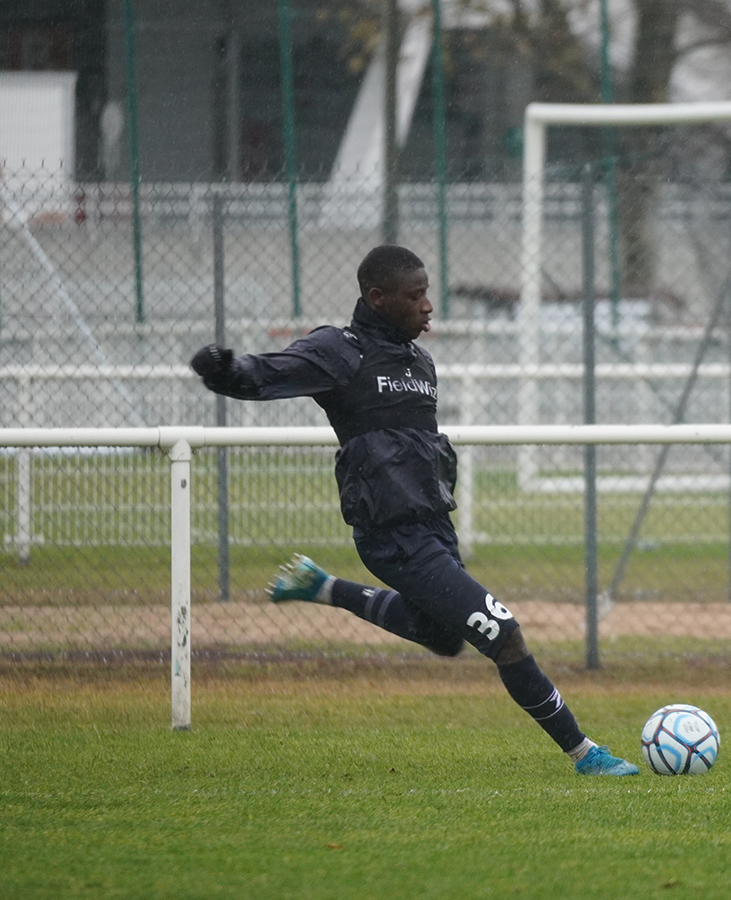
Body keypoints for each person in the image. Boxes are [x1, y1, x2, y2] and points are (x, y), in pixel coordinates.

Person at [190, 244, 638, 776]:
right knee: (504, 633)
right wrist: (224, 369)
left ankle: (324, 588)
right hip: (391, 535)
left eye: (427, 293)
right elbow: (264, 374)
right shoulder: (340, 350)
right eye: (416, 295)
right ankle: (585, 753)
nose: (428, 305)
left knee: (446, 637)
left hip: (433, 528)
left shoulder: (419, 360)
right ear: (378, 299)